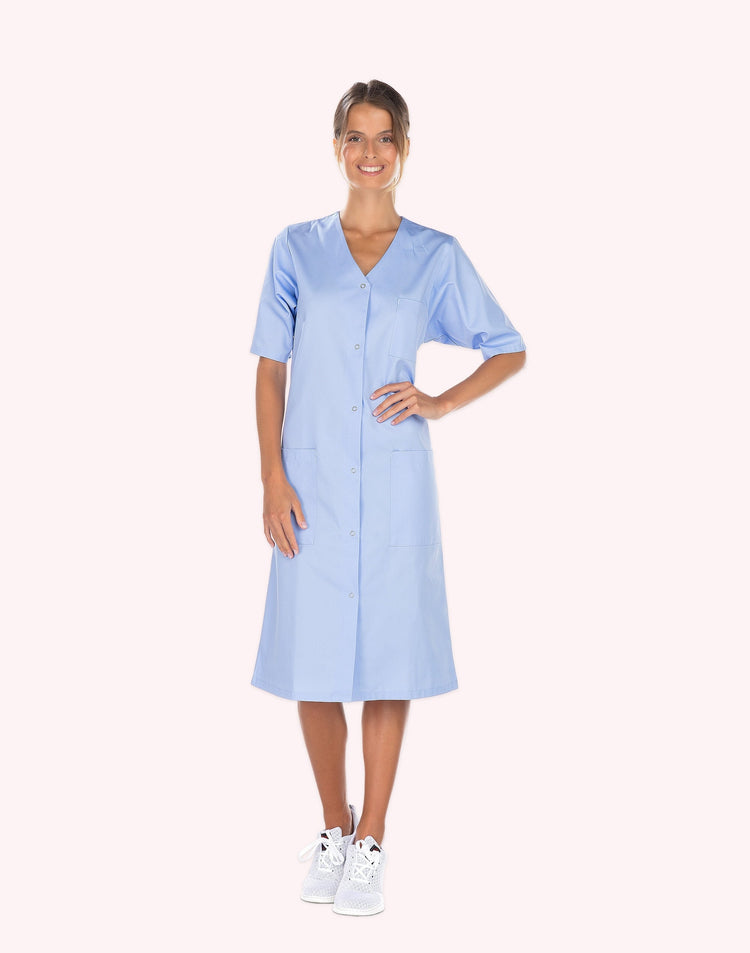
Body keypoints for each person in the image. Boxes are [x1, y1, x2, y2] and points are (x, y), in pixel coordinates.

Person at [248, 79, 526, 916]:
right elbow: (270, 368)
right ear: (337, 147)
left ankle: (371, 837)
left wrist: (438, 401)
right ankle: (332, 825)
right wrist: (271, 475)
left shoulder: (434, 256)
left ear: (405, 148)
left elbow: (507, 347)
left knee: (388, 660)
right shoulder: (296, 250)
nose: (370, 153)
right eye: (356, 138)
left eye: (385, 138)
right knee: (313, 659)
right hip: (312, 485)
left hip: (398, 484)